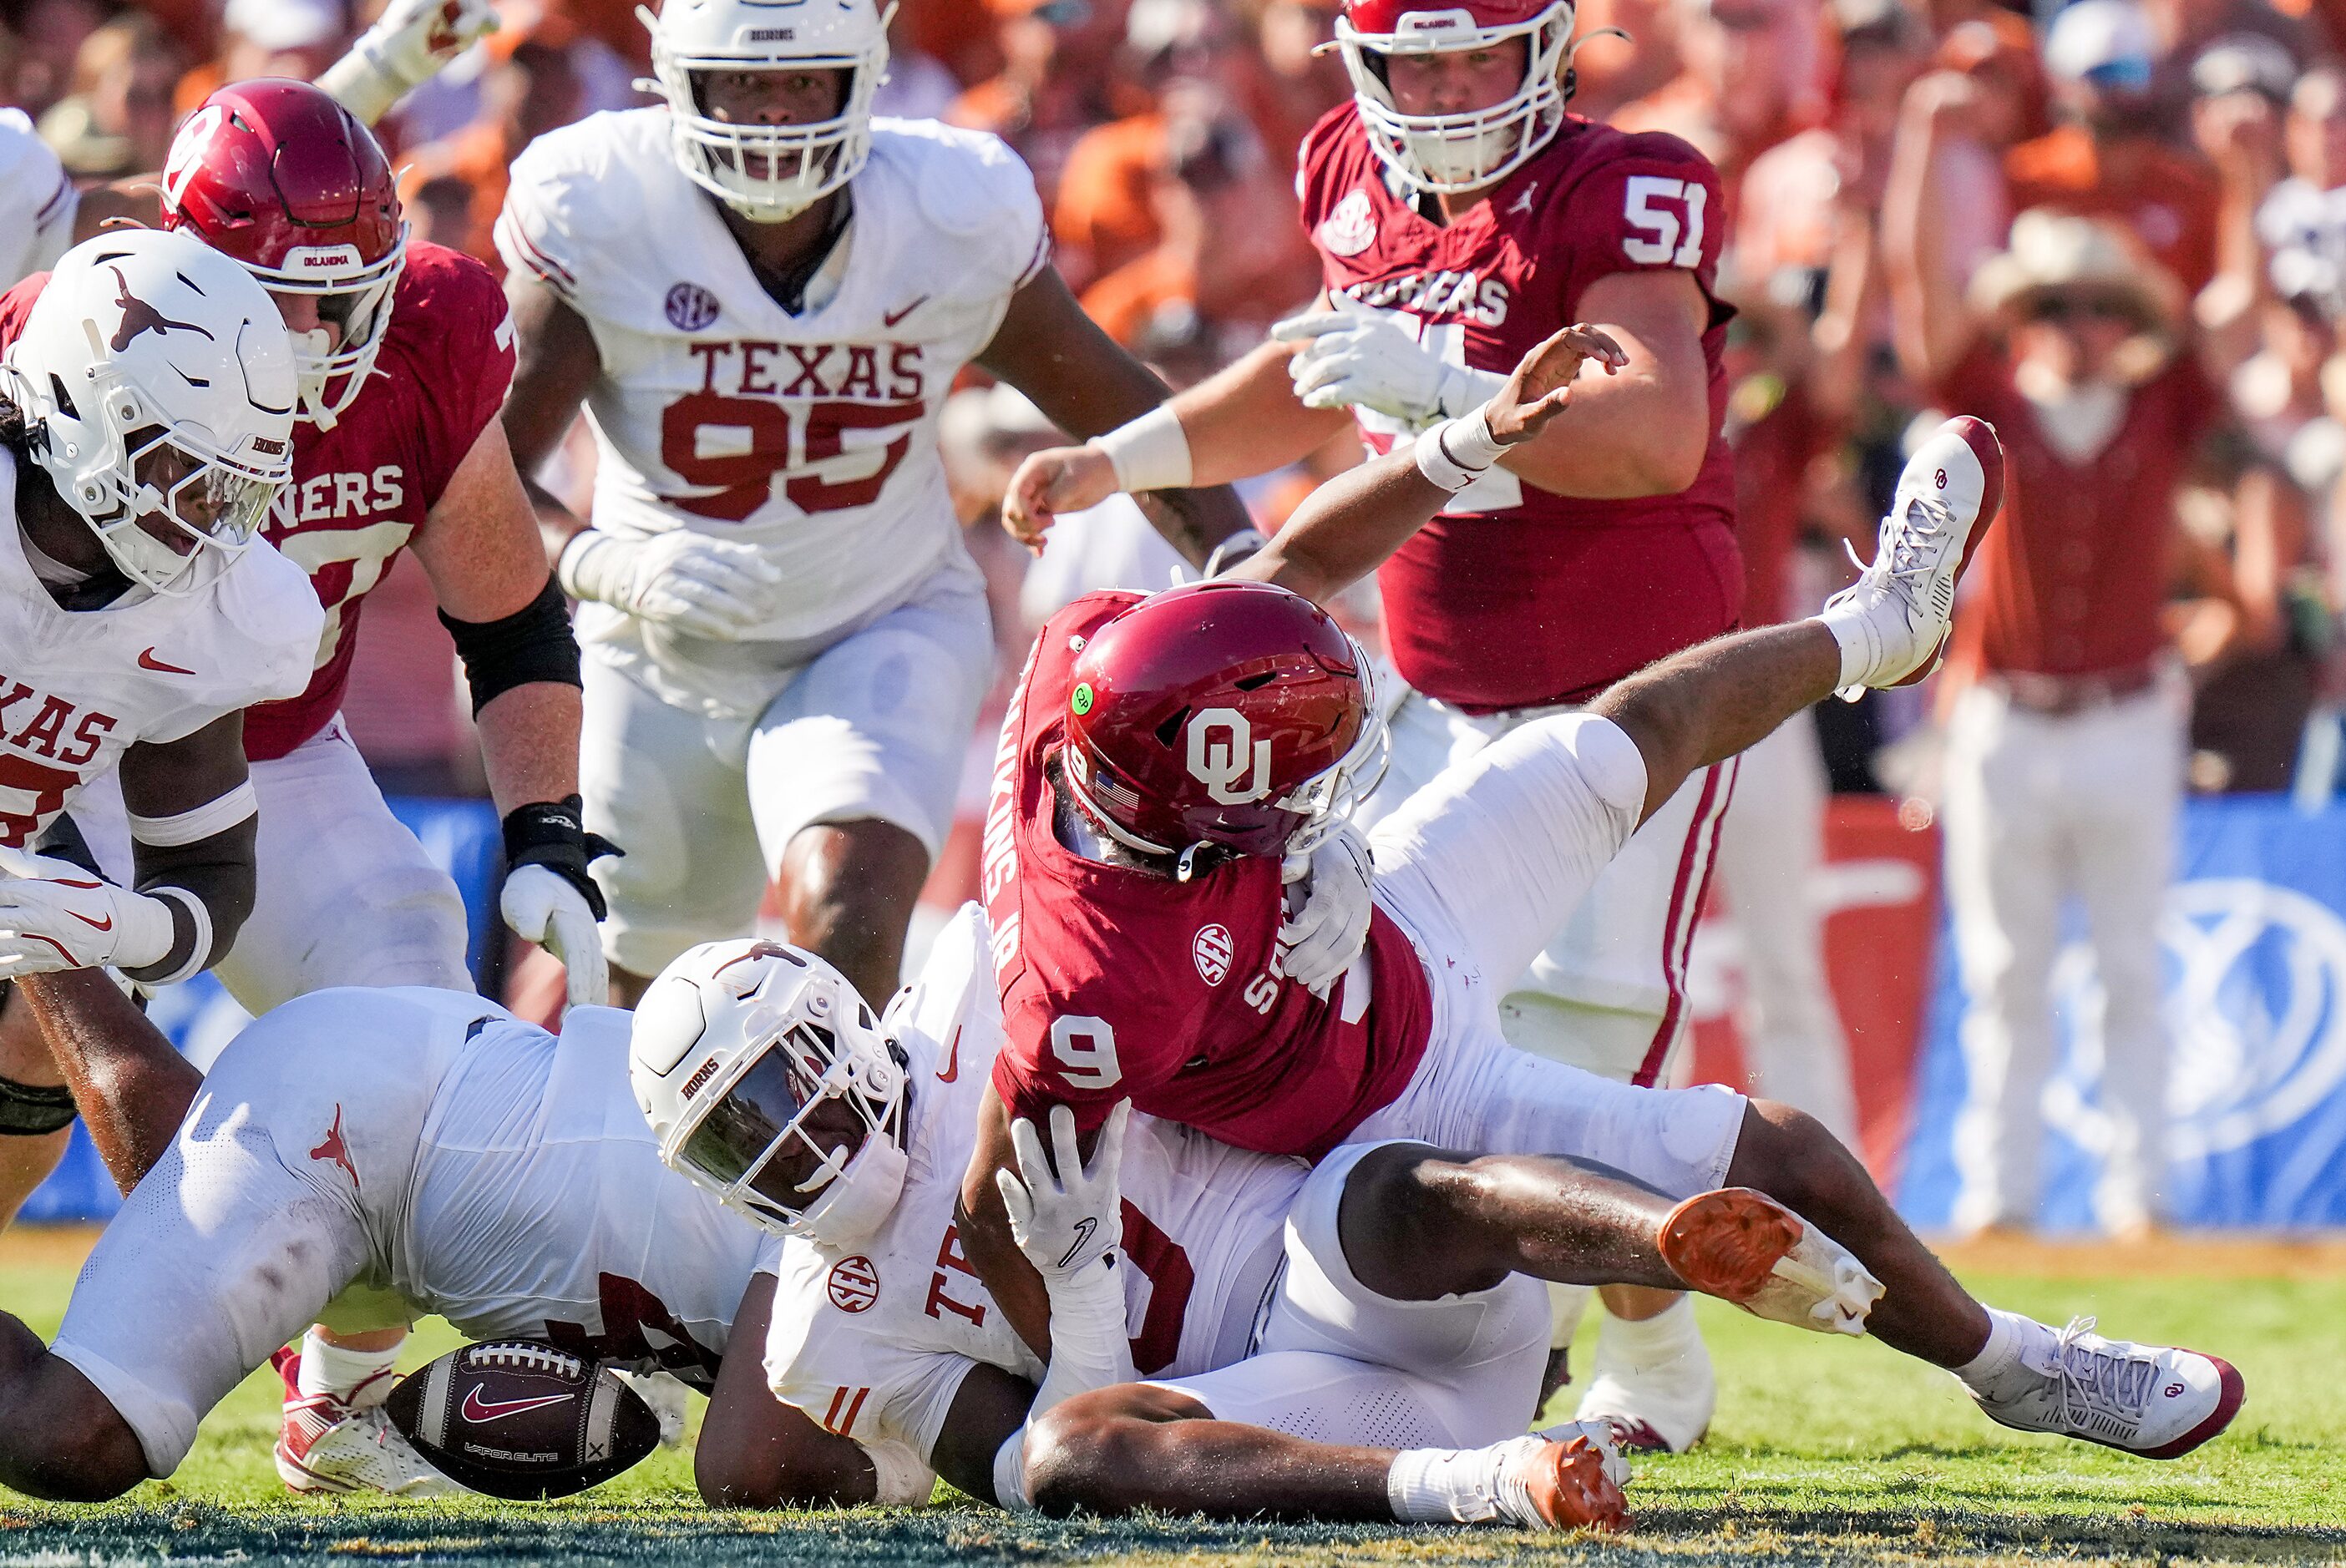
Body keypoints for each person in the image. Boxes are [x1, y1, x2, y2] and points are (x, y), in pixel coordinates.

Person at [955, 368, 2244, 1473]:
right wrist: (1085, 1358)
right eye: (1285, 787)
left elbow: (1289, 567)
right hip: (1382, 1095)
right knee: (1773, 1154)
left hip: (1398, 916)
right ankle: (2012, 1365)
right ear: (1193, 815)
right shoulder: (1090, 992)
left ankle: (1876, 629)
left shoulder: (1096, 661)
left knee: (1627, 731)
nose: (1314, 792)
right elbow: (993, 1202)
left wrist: (1463, 445)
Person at [996, 0, 1754, 1448]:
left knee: (1576, 1038)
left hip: (1626, 676)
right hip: (1420, 677)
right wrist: (1124, 456)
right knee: (1386, 1020)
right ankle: (1428, 1322)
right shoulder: (1346, 168)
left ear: (1546, 50)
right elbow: (1311, 374)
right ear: (1363, 64)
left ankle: (1649, 1363)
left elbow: (1656, 430)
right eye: (1422, 58)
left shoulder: (1621, 187)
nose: (1453, 88)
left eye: (1481, 53)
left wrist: (1456, 399)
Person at [0, 82, 611, 1492]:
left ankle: (341, 1409)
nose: (308, 350)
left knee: (406, 1017)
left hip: (250, 737)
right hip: (55, 724)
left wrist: (548, 828)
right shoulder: (79, 340)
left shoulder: (433, 340)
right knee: (56, 1057)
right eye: (271, 307)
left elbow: (509, 614)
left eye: (341, 309)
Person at [631, 911, 1882, 1530]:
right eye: (736, 1137)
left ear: (841, 1026)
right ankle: (1500, 1479)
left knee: (1399, 1184)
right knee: (1072, 1461)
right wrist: (1073, 1294)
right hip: (1264, 1410)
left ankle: (1669, 1242)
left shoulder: (979, 979)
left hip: (1333, 1269)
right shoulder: (816, 1334)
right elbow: (1041, 1468)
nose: (788, 1139)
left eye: (780, 1086)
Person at [494, 0, 1254, 1014]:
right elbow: (483, 475)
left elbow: (1125, 412)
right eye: (745, 85)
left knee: (844, 915)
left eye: (801, 83)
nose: (771, 121)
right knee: (641, 987)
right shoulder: (609, 207)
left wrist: (1249, 573)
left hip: (876, 616)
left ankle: (844, 1169)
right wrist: (601, 564)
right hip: (662, 638)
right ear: (679, 82)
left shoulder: (943, 214)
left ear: (861, 80)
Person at [1889, 114, 2219, 1234]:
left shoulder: (2165, 403)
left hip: (2126, 713)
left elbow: (2218, 317)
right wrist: (1923, 145)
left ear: (2126, 321)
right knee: (2002, 969)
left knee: (2132, 962)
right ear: (2019, 320)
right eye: (2052, 307)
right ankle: (1999, 1192)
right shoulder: (1994, 410)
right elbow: (1918, 290)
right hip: (2005, 717)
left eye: (2097, 307)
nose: (2076, 327)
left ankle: (2143, 1194)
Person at [0, 228, 321, 1041]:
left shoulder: (214, 613)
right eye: (188, 473)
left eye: (233, 490)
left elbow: (210, 874)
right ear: (82, 409)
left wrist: (118, 926)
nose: (211, 518)